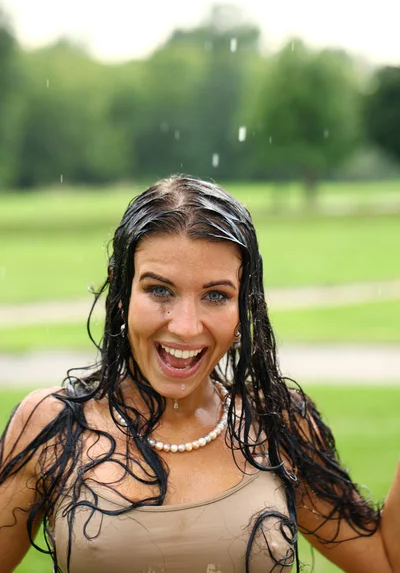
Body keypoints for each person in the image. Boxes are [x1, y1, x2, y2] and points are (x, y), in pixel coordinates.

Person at [0, 175, 399, 573]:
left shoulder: (278, 425)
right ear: (121, 294)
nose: (187, 326)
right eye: (160, 290)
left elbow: (385, 562)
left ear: (244, 307)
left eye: (215, 295)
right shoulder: (52, 428)